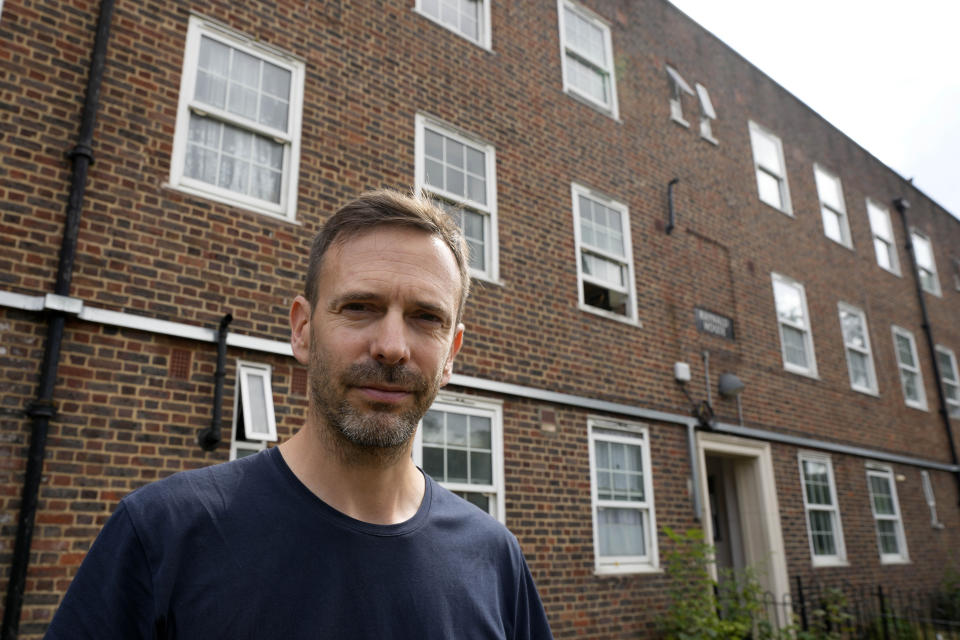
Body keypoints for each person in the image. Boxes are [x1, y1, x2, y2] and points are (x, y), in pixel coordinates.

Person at [45, 190, 553, 639]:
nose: (393, 347)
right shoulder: (163, 534)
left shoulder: (495, 560)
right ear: (303, 330)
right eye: (359, 307)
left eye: (426, 318)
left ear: (451, 355)